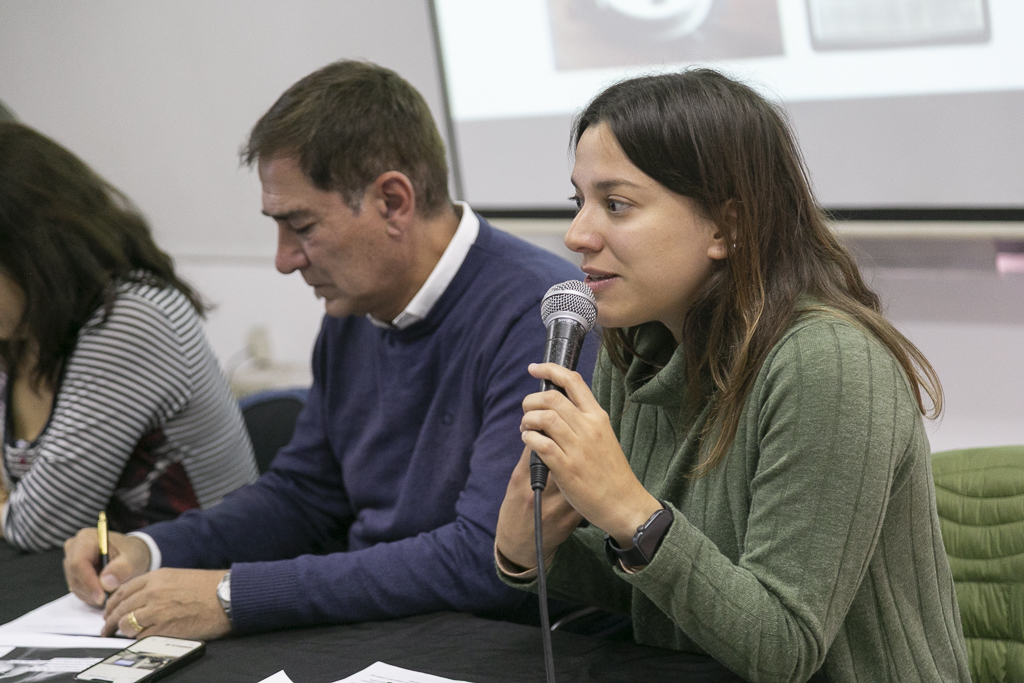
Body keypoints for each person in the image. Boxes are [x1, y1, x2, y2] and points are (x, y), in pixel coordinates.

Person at [63, 60, 595, 640]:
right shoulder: (356, 307)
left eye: (301, 226)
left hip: (491, 642)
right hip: (378, 625)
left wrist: (234, 595)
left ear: (392, 201)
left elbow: (486, 556)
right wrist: (150, 548)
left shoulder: (541, 315)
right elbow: (305, 495)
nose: (283, 259)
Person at [494, 70, 971, 682]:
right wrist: (532, 550)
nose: (577, 235)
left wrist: (632, 513)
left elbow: (783, 649)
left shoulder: (830, 364)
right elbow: (657, 597)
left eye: (615, 204)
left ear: (727, 227)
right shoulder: (636, 350)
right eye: (578, 202)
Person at [0, 123, 258, 553]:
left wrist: (12, 507)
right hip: (93, 577)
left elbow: (40, 527)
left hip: (197, 574)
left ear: (37, 252)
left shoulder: (131, 317)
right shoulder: (24, 329)